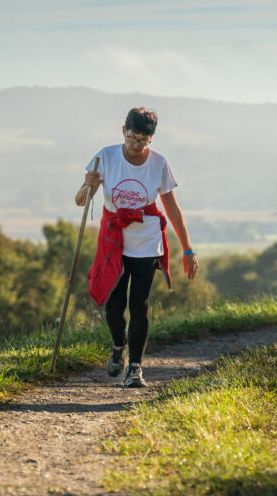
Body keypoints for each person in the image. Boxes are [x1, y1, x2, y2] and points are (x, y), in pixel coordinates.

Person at [76, 107, 198, 388]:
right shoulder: (104, 157)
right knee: (115, 304)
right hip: (113, 239)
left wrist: (188, 249)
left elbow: (172, 209)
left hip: (146, 241)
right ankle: (118, 347)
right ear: (123, 131)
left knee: (139, 305)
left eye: (143, 140)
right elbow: (81, 201)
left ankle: (135, 368)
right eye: (132, 138)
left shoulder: (159, 163)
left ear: (151, 139)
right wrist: (87, 185)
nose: (135, 146)